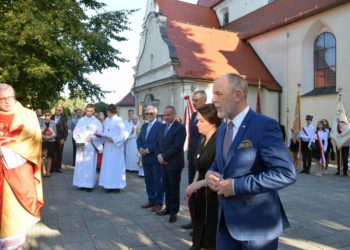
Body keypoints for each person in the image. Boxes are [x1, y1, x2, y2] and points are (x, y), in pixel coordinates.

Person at [205, 74, 296, 249]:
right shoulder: (223, 128)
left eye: (219, 94)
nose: (213, 100)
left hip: (257, 228)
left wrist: (236, 186)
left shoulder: (264, 126)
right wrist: (210, 173)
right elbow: (219, 163)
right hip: (225, 223)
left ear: (238, 95)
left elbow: (286, 173)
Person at [0, 83, 43, 249]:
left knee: (12, 217)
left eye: (9, 97)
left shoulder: (27, 115)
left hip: (17, 172)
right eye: (2, 99)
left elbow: (33, 141)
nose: (7, 101)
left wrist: (4, 151)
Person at [185, 104, 221, 250]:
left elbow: (218, 172)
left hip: (213, 194)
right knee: (199, 226)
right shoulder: (202, 138)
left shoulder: (219, 140)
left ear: (212, 122)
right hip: (200, 194)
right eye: (196, 120)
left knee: (210, 231)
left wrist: (197, 185)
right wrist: (192, 186)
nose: (196, 124)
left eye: (201, 121)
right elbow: (199, 168)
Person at [155, 106, 186, 223]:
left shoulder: (180, 128)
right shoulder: (162, 127)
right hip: (162, 163)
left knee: (174, 188)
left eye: (169, 115)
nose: (166, 117)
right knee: (166, 187)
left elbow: (177, 146)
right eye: (165, 115)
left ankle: (174, 212)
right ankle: (167, 208)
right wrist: (159, 155)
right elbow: (157, 143)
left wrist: (164, 157)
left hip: (174, 163)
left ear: (174, 114)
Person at [182, 90, 207, 230]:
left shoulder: (209, 114)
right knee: (192, 190)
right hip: (192, 158)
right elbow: (192, 138)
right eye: (193, 99)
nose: (193, 102)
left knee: (200, 192)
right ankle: (193, 220)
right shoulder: (193, 115)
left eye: (196, 100)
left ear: (204, 99)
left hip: (202, 158)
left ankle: (201, 224)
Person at [137, 106, 164, 212]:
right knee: (148, 181)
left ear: (156, 114)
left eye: (151, 113)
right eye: (147, 113)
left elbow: (158, 142)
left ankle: (159, 202)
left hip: (154, 158)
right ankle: (151, 200)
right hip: (145, 158)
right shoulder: (144, 126)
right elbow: (138, 139)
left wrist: (148, 150)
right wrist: (139, 148)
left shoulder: (160, 126)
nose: (148, 115)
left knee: (157, 181)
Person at [98, 104, 129, 192]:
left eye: (107, 112)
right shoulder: (107, 120)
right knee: (108, 166)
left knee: (115, 167)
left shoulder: (119, 120)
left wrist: (114, 139)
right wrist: (102, 136)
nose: (107, 114)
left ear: (109, 111)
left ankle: (116, 186)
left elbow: (125, 134)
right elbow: (105, 131)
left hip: (116, 148)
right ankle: (108, 185)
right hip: (108, 146)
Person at [72, 104, 103, 192]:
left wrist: (92, 138)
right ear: (85, 111)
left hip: (91, 145)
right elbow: (75, 132)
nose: (89, 112)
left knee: (90, 164)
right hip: (81, 143)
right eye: (88, 110)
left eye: (91, 111)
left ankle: (89, 185)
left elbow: (100, 134)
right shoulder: (81, 120)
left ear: (94, 111)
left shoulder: (97, 122)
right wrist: (80, 138)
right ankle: (81, 183)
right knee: (80, 163)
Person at [51, 104, 68, 173]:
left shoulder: (64, 119)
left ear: (62, 111)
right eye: (57, 109)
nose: (58, 111)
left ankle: (58, 167)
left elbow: (66, 130)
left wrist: (63, 139)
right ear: (55, 110)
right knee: (52, 153)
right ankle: (52, 167)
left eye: (60, 110)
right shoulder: (51, 117)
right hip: (51, 138)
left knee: (59, 153)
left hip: (60, 139)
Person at [41, 110, 57, 177]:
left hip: (51, 141)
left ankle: (48, 171)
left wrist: (49, 137)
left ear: (50, 116)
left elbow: (55, 133)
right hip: (43, 141)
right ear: (44, 115)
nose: (47, 116)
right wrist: (44, 137)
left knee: (50, 156)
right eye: (46, 115)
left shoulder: (53, 123)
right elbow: (38, 131)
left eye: (48, 115)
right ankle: (44, 171)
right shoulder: (41, 122)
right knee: (43, 156)